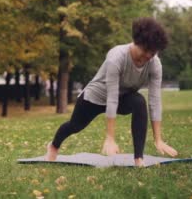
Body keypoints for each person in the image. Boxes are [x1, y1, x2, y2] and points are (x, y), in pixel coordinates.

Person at [45, 17, 178, 167]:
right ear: (136, 42)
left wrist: (158, 139)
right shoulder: (117, 57)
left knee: (139, 102)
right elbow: (112, 98)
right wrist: (110, 137)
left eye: (152, 53)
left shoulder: (154, 64)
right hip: (95, 97)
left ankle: (138, 159)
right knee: (75, 125)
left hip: (123, 98)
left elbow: (155, 101)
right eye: (146, 50)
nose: (148, 56)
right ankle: (54, 146)